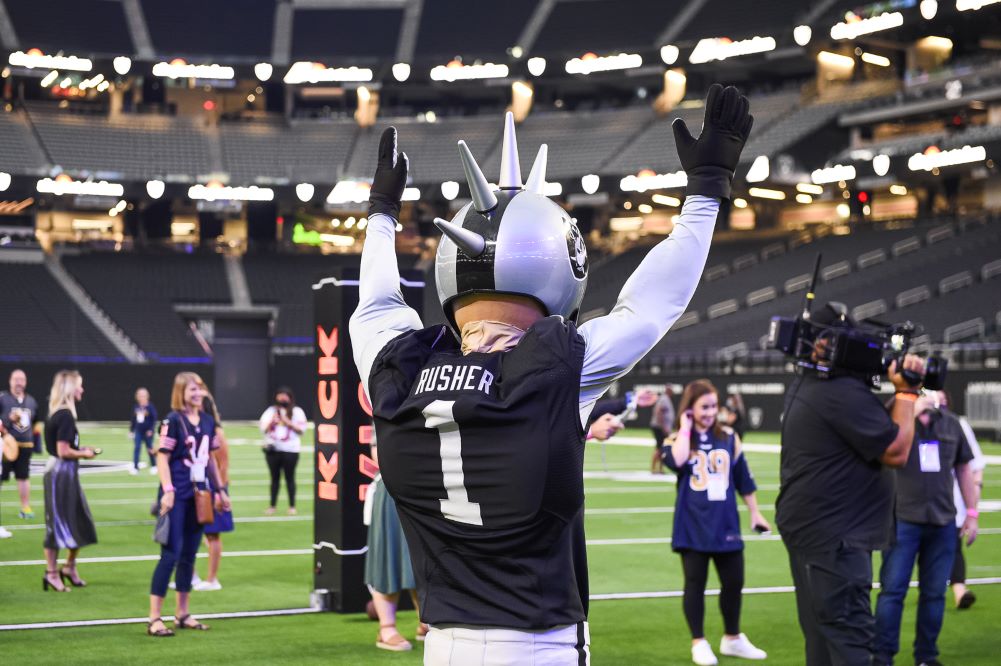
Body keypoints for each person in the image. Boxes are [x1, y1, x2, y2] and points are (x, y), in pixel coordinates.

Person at [350, 84, 753, 664]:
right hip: (540, 642)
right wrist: (708, 189)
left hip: (442, 645)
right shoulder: (561, 367)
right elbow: (652, 303)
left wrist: (382, 214)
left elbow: (376, 306)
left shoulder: (396, 368)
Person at [776, 303, 928, 666]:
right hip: (836, 539)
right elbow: (895, 451)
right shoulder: (838, 391)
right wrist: (907, 395)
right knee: (851, 641)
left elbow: (867, 430)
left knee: (822, 639)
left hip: (816, 533)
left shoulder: (812, 384)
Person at [664, 379, 769, 665]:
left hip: (725, 523)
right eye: (704, 407)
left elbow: (743, 479)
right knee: (695, 583)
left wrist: (755, 513)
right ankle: (698, 641)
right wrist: (686, 427)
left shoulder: (730, 437)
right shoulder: (677, 438)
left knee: (734, 582)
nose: (710, 412)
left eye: (713, 406)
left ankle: (732, 638)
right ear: (690, 408)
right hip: (692, 524)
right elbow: (677, 462)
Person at [873, 391, 979, 666]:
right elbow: (877, 434)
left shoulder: (952, 424)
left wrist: (972, 513)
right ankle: (883, 656)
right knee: (893, 591)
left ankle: (926, 656)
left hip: (942, 520)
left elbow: (964, 470)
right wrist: (907, 410)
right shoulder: (896, 420)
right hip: (903, 519)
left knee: (934, 594)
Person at [148, 371, 230, 637]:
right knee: (170, 555)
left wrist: (220, 490)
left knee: (189, 556)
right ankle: (155, 618)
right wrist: (168, 490)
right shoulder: (173, 420)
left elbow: (209, 460)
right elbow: (162, 457)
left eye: (200, 388)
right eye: (191, 389)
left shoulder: (207, 420)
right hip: (179, 493)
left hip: (200, 495)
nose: (197, 393)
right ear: (180, 392)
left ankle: (182, 613)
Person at [364, 431, 426, 651]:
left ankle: (425, 621)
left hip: (425, 487)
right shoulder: (389, 406)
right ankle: (386, 628)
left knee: (421, 559)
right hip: (393, 487)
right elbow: (378, 452)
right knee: (388, 556)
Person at [42, 370, 97, 592]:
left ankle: (69, 567)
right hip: (60, 473)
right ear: (70, 388)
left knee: (80, 520)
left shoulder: (61, 413)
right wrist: (84, 454)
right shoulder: (64, 415)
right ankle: (52, 573)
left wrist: (81, 450)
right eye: (79, 385)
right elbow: (62, 451)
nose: (82, 390)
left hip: (65, 472)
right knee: (57, 525)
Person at [947, 392, 985, 610]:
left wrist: (973, 504)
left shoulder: (956, 424)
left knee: (953, 547)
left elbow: (972, 464)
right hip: (915, 505)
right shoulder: (913, 419)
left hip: (952, 501)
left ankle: (959, 591)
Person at [195, 390, 232, 592]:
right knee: (194, 532)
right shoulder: (200, 429)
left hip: (213, 489)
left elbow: (223, 465)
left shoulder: (216, 432)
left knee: (213, 535)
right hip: (200, 487)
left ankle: (212, 579)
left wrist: (220, 492)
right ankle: (192, 576)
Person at [259, 387, 307, 516]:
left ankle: (292, 506)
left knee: (290, 478)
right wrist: (272, 421)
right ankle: (272, 506)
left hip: (290, 450)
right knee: (274, 479)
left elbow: (302, 430)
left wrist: (287, 422)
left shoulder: (297, 411)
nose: (282, 399)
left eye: (285, 396)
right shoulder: (271, 411)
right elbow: (263, 429)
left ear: (290, 398)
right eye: (280, 396)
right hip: (273, 449)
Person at [1, 369, 41, 518]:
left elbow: (36, 423)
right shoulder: (3, 398)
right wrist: (8, 420)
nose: (19, 382)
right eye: (16, 379)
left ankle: (25, 508)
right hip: (5, 446)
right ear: (10, 380)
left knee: (23, 477)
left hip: (25, 446)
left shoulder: (31, 400)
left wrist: (37, 444)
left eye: (22, 379)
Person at [128, 387, 158, 476]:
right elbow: (133, 420)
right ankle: (135, 467)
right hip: (138, 431)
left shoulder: (150, 407)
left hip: (148, 432)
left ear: (147, 396)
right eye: (140, 395)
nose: (141, 397)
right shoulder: (136, 407)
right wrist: (131, 430)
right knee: (137, 448)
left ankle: (154, 465)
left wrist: (151, 430)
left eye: (143, 395)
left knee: (150, 449)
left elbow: (154, 419)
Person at [650, 387, 675, 474]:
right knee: (659, 448)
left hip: (661, 427)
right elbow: (658, 412)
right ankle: (653, 468)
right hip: (659, 427)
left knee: (661, 448)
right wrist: (663, 426)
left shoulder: (666, 399)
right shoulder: (664, 399)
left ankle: (660, 469)